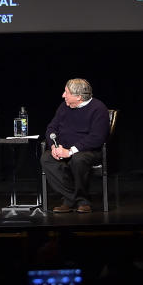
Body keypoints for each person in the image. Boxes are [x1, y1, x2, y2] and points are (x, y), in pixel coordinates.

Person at [42, 78, 110, 213]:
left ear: (79, 97)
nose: (63, 95)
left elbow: (97, 138)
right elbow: (51, 128)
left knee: (78, 160)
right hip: (63, 148)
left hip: (88, 150)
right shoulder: (64, 107)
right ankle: (75, 199)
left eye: (66, 92)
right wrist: (55, 147)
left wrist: (71, 151)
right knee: (47, 158)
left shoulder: (98, 109)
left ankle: (75, 201)